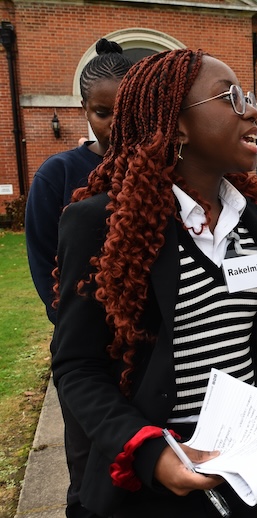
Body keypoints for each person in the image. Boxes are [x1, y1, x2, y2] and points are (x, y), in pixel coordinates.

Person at [50, 49, 257, 518]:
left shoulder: (247, 217)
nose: (251, 110)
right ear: (176, 126)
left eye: (246, 96)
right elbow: (77, 366)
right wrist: (151, 452)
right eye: (229, 97)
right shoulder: (104, 223)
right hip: (157, 476)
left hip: (244, 463)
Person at [25, 38, 134, 518]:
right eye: (102, 112)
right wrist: (81, 329)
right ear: (85, 111)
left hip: (146, 347)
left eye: (125, 110)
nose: (115, 123)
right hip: (88, 351)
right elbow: (44, 263)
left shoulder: (159, 171)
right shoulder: (59, 173)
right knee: (91, 469)